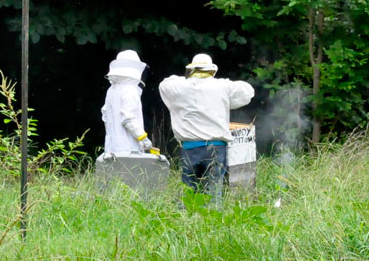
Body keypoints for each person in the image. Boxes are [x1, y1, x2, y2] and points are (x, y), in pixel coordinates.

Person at [159, 53, 254, 205]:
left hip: (190, 148)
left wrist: (186, 78)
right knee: (214, 190)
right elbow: (247, 90)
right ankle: (213, 221)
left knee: (189, 191)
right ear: (211, 71)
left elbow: (164, 84)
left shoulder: (178, 86)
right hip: (216, 148)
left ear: (191, 70)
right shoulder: (222, 85)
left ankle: (187, 221)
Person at [101, 50, 152, 153]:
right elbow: (128, 120)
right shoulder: (130, 90)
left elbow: (105, 115)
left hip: (111, 147)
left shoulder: (111, 90)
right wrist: (143, 138)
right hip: (128, 148)